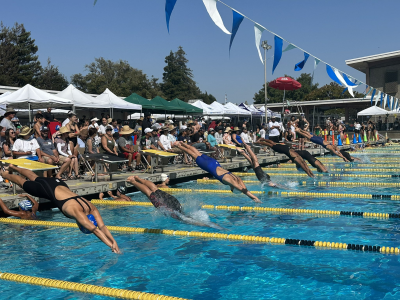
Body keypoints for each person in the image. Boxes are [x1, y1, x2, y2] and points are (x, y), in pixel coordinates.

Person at [0, 165, 120, 253]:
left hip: (59, 183)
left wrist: (114, 243)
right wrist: (110, 246)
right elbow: (95, 230)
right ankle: (5, 174)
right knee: (23, 183)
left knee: (35, 177)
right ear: (83, 225)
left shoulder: (91, 207)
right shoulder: (76, 212)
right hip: (46, 189)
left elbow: (102, 227)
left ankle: (13, 167)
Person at [176, 142, 261, 202]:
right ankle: (179, 146)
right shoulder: (230, 181)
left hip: (215, 163)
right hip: (208, 166)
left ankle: (182, 143)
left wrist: (253, 196)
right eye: (232, 190)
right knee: (193, 155)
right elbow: (243, 190)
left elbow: (244, 188)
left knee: (197, 152)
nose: (231, 189)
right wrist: (254, 198)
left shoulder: (238, 179)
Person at [127, 176, 222, 229]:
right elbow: (197, 223)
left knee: (155, 189)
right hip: (172, 205)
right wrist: (210, 226)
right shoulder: (183, 217)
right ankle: (133, 181)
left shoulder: (183, 213)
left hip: (175, 203)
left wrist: (214, 225)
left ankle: (139, 179)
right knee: (149, 193)